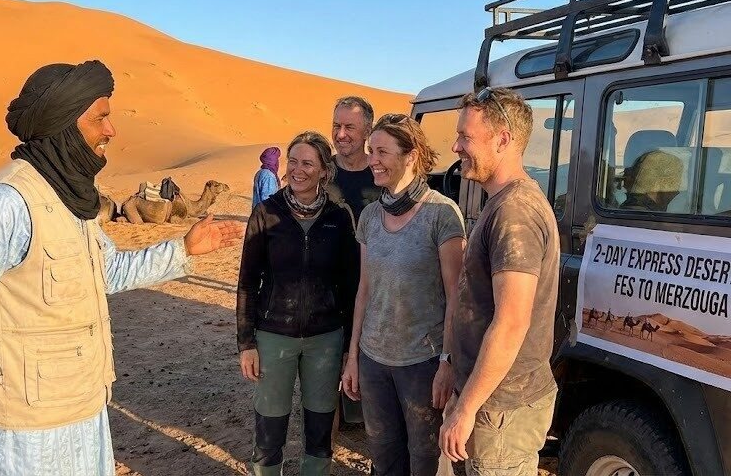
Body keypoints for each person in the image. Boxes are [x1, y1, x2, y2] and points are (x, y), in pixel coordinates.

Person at [0, 61, 243, 476]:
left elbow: (108, 271)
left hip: (85, 409)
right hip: (26, 429)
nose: (111, 130)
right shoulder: (5, 203)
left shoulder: (72, 199)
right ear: (63, 123)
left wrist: (182, 250)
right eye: (100, 118)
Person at [439, 87, 560, 476]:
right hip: (489, 402)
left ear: (503, 140)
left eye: (466, 137)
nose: (456, 147)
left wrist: (467, 408)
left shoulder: (514, 213)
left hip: (501, 411)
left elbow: (511, 323)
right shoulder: (502, 202)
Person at [341, 114, 465, 476]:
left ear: (410, 156)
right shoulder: (369, 216)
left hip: (422, 363)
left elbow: (455, 297)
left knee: (425, 460)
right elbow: (365, 290)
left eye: (382, 152)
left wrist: (447, 362)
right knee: (383, 456)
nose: (373, 160)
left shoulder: (442, 214)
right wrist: (353, 358)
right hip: (374, 361)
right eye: (371, 151)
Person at [236, 131, 359, 475]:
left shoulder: (338, 217)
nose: (298, 170)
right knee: (269, 429)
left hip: (326, 339)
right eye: (293, 162)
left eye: (307, 163)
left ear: (324, 171)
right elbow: (247, 281)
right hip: (273, 336)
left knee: (320, 431)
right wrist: (246, 343)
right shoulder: (266, 213)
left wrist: (348, 347)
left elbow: (351, 286)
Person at [328, 96, 381, 223]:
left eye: (349, 127)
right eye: (336, 126)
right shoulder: (322, 171)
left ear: (367, 132)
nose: (340, 134)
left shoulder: (381, 174)